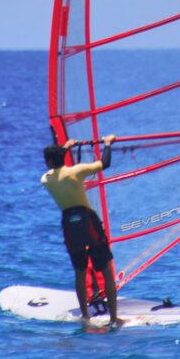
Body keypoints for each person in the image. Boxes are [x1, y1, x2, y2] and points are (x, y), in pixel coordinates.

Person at [41, 134, 122, 328]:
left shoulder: (46, 180)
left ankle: (85, 316)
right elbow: (105, 163)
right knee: (105, 270)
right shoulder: (77, 171)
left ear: (49, 161)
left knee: (79, 271)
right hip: (88, 222)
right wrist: (108, 144)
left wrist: (65, 148)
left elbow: (56, 167)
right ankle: (113, 318)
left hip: (69, 225)